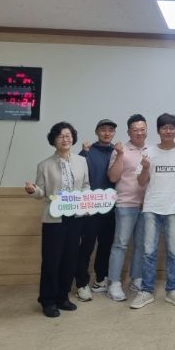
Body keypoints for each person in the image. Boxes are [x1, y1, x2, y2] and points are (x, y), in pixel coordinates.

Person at [25, 121, 90, 318]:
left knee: (70, 259)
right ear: (54, 140)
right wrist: (33, 190)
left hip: (76, 217)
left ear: (73, 138)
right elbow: (41, 192)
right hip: (54, 219)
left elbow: (86, 185)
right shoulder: (44, 165)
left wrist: (86, 202)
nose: (65, 139)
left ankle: (62, 297)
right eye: (60, 136)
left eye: (68, 135)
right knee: (51, 261)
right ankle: (47, 300)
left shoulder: (82, 161)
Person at [130, 113, 175, 310]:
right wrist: (145, 168)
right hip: (152, 208)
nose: (168, 131)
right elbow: (141, 182)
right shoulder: (148, 152)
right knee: (149, 252)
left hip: (174, 208)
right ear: (158, 130)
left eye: (171, 128)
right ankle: (147, 291)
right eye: (164, 127)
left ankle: (172, 290)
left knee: (174, 252)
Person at [106, 114, 148, 302]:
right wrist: (120, 155)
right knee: (121, 244)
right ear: (129, 132)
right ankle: (114, 283)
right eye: (135, 130)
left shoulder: (151, 150)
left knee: (141, 244)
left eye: (142, 129)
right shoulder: (120, 150)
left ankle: (136, 278)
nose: (139, 132)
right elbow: (113, 177)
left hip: (146, 205)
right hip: (125, 204)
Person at [75, 119, 117, 302]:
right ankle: (81, 284)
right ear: (96, 131)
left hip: (111, 208)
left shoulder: (117, 152)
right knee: (86, 247)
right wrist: (83, 152)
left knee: (106, 247)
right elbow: (76, 174)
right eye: (103, 130)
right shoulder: (88, 151)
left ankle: (101, 279)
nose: (107, 133)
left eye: (110, 130)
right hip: (90, 208)